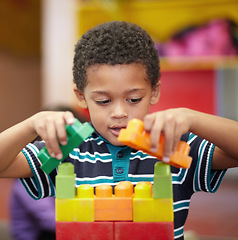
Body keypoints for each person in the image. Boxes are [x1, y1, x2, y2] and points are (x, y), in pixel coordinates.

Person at [0, 21, 238, 240]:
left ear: (154, 92)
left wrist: (192, 117)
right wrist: (31, 124)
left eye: (133, 99)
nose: (119, 113)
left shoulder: (172, 144)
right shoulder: (67, 150)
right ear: (81, 97)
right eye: (103, 101)